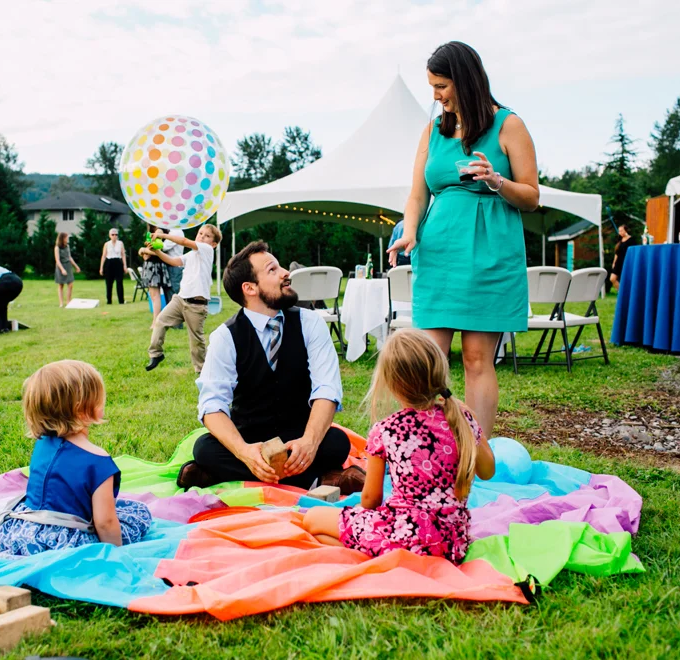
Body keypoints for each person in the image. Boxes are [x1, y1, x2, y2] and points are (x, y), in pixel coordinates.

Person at [387, 41, 539, 439]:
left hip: (490, 253)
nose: (435, 96)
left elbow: (532, 196)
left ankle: (475, 450)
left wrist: (497, 181)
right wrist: (409, 231)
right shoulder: (433, 131)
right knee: (427, 361)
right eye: (432, 87)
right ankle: (424, 448)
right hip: (438, 252)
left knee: (476, 359)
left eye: (441, 86)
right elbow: (417, 195)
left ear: (465, 80)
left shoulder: (508, 125)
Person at [176, 241, 365, 494]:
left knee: (337, 443)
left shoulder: (311, 323)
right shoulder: (225, 336)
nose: (286, 273)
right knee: (204, 448)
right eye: (273, 270)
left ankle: (215, 474)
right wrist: (244, 453)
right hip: (250, 438)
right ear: (250, 288)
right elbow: (212, 406)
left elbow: (327, 390)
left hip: (298, 437)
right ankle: (321, 480)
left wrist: (309, 443)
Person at [301, 329, 495, 561]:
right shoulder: (460, 418)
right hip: (451, 544)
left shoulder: (386, 430)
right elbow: (487, 471)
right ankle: (384, 552)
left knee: (312, 519)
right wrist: (470, 421)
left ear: (392, 384)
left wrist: (360, 516)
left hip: (403, 533)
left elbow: (370, 500)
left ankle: (381, 553)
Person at [0, 360, 152, 555]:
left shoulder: (43, 443)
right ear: (81, 408)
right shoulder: (98, 461)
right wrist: (116, 554)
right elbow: (105, 523)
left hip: (24, 533)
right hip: (64, 544)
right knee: (137, 513)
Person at [144, 223, 221, 373]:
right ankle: (156, 354)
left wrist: (162, 235)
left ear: (213, 244)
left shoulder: (207, 250)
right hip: (180, 300)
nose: (202, 237)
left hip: (197, 304)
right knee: (160, 321)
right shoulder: (191, 254)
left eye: (207, 236)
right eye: (200, 233)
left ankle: (202, 370)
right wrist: (157, 251)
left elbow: (184, 241)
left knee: (196, 341)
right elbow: (173, 261)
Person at [138, 225, 171, 328]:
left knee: (155, 296)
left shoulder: (159, 231)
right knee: (153, 295)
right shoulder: (152, 232)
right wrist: (144, 251)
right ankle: (156, 321)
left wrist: (143, 250)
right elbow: (148, 253)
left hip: (155, 266)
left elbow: (158, 250)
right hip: (151, 265)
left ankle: (156, 322)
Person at [100, 228, 127, 305]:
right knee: (109, 282)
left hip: (118, 262)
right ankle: (109, 300)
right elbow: (104, 256)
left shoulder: (120, 243)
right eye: (113, 235)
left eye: (116, 235)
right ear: (110, 235)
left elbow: (123, 254)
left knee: (119, 282)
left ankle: (121, 300)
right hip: (109, 262)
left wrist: (125, 265)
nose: (114, 236)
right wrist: (101, 267)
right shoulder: (107, 244)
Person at [54, 232, 81, 307]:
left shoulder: (67, 246)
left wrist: (76, 266)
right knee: (61, 285)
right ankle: (61, 303)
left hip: (68, 266)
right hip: (60, 266)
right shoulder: (57, 248)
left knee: (70, 284)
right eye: (66, 237)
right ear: (62, 238)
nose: (67, 239)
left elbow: (69, 257)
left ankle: (68, 301)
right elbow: (57, 260)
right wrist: (62, 269)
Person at [609, 224, 638, 291]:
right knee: (612, 279)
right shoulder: (619, 240)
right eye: (619, 231)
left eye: (621, 230)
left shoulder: (631, 240)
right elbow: (616, 253)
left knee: (625, 280)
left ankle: (625, 294)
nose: (620, 232)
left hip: (626, 262)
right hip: (618, 262)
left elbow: (634, 252)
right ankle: (621, 292)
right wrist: (614, 263)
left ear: (626, 230)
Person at [162, 227, 185, 304]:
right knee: (170, 292)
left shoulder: (175, 232)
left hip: (174, 267)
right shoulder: (173, 231)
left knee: (173, 293)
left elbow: (164, 247)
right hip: (172, 266)